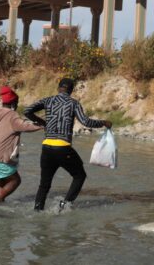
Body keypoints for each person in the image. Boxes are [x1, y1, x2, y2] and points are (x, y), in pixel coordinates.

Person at [24, 78, 112, 211]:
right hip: (63, 148)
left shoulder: (47, 100)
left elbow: (27, 111)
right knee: (79, 176)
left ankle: (37, 210)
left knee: (44, 185)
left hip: (46, 147)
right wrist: (103, 122)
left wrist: (42, 122)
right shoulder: (74, 103)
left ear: (58, 88)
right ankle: (63, 206)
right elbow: (86, 122)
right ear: (71, 90)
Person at [0, 85, 42, 204]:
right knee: (15, 181)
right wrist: (41, 125)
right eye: (17, 102)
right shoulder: (11, 115)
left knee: (3, 186)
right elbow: (25, 126)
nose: (17, 105)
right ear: (13, 103)